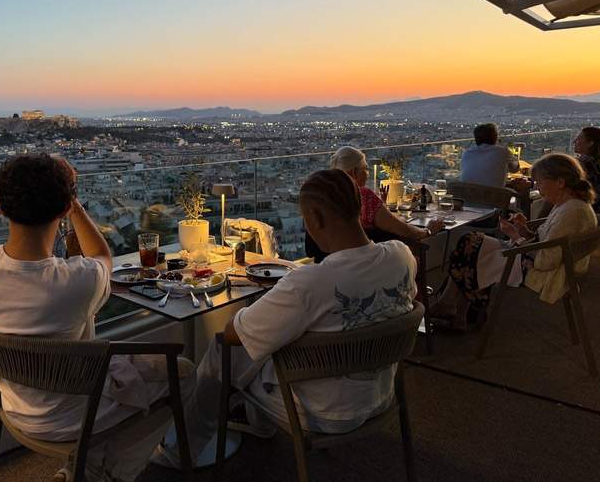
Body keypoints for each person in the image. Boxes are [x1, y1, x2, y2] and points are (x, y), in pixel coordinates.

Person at [0, 154, 194, 482]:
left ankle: (83, 468)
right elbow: (101, 256)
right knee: (185, 374)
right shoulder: (77, 281)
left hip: (15, 406)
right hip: (79, 413)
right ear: (63, 209)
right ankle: (101, 473)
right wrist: (76, 206)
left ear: (4, 207)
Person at [157, 169, 417, 466]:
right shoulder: (402, 256)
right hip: (380, 395)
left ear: (315, 218)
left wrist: (263, 310)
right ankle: (256, 424)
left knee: (223, 349)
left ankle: (182, 450)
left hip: (323, 412)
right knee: (272, 340)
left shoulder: (311, 282)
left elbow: (233, 334)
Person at [432, 153, 597, 330]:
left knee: (471, 252)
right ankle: (456, 310)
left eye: (540, 182)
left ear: (560, 182)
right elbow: (547, 243)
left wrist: (516, 237)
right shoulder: (568, 205)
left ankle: (452, 309)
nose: (538, 187)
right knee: (470, 241)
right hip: (538, 259)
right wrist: (523, 230)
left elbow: (545, 260)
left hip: (542, 271)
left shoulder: (571, 212)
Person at [305, 146, 444, 262]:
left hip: (331, 264)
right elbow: (402, 229)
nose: (368, 174)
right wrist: (428, 231)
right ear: (354, 172)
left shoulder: (322, 197)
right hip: (370, 264)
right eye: (366, 169)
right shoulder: (363, 195)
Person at [460, 123, 521, 187]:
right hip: (494, 193)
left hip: (466, 192)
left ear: (476, 139)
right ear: (495, 137)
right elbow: (515, 169)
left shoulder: (466, 153)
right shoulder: (503, 152)